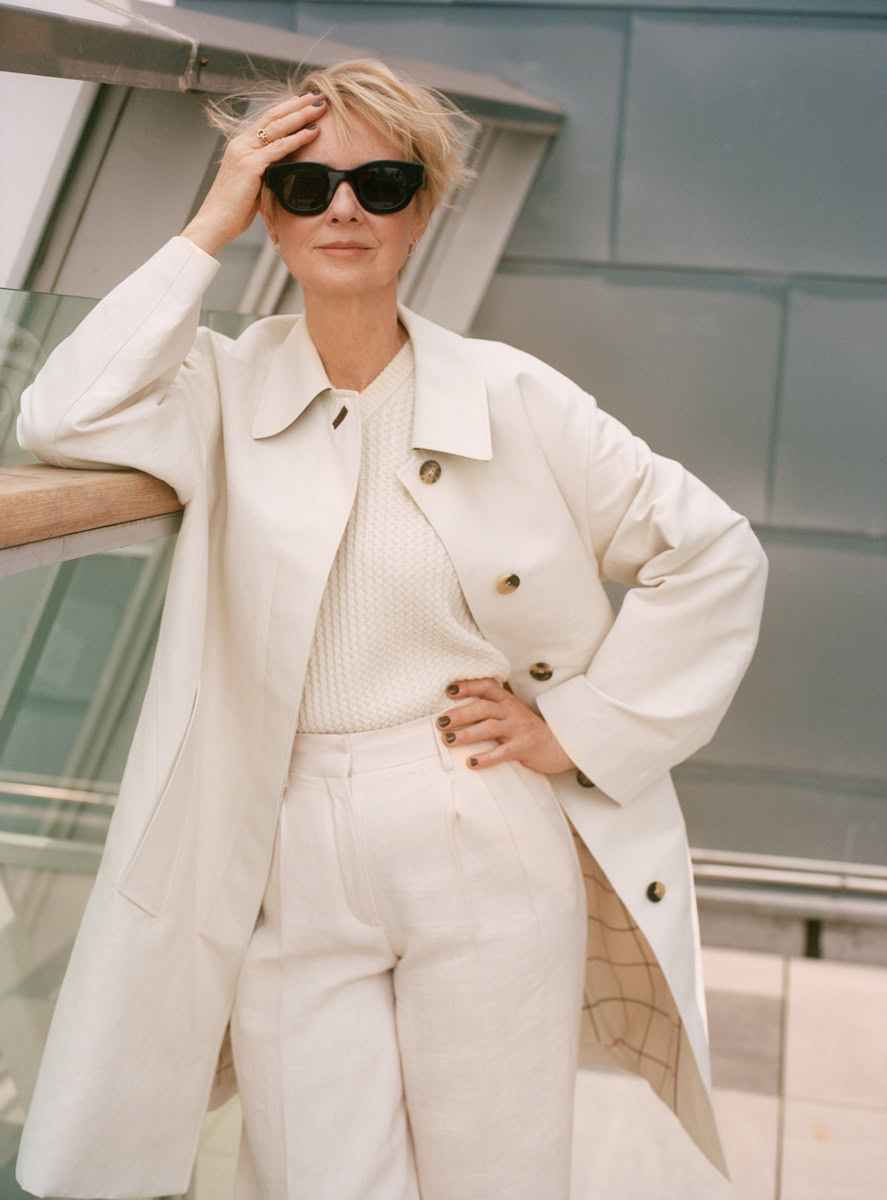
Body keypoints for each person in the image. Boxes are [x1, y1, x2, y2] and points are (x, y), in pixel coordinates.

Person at [15, 58, 767, 1200]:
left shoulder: (511, 394)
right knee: (314, 1174)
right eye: (302, 185)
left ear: (421, 209)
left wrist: (577, 729)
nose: (344, 210)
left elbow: (711, 551)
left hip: (476, 822)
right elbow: (63, 415)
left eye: (380, 182)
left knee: (493, 1176)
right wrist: (208, 223)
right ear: (269, 212)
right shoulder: (217, 387)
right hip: (284, 838)